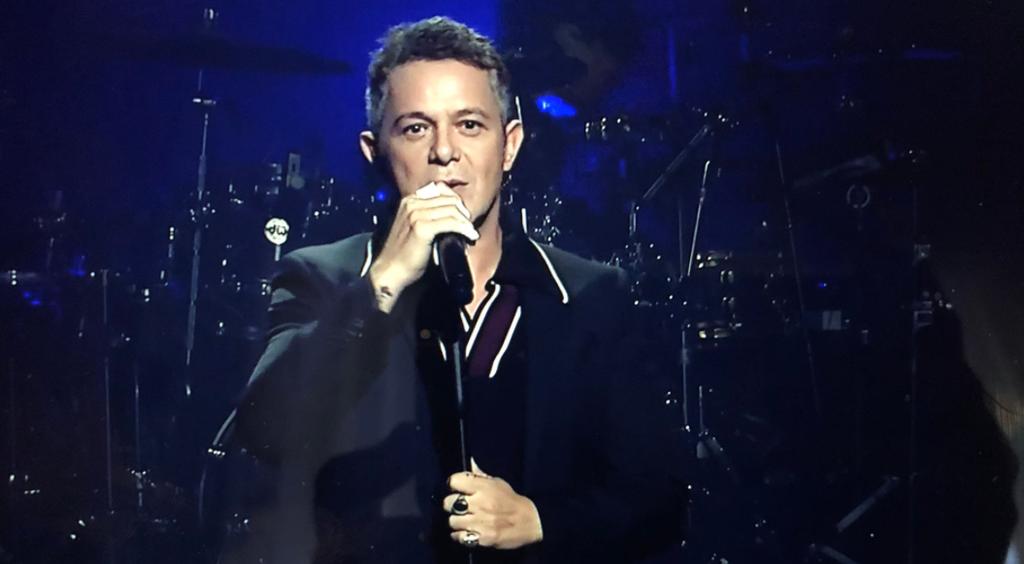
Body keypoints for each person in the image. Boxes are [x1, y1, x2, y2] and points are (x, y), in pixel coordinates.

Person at [222, 16, 682, 564]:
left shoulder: (588, 295)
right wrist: (383, 284)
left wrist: (540, 521)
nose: (445, 151)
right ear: (374, 151)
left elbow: (658, 499)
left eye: (469, 124)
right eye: (416, 128)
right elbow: (266, 432)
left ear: (509, 145)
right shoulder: (325, 277)